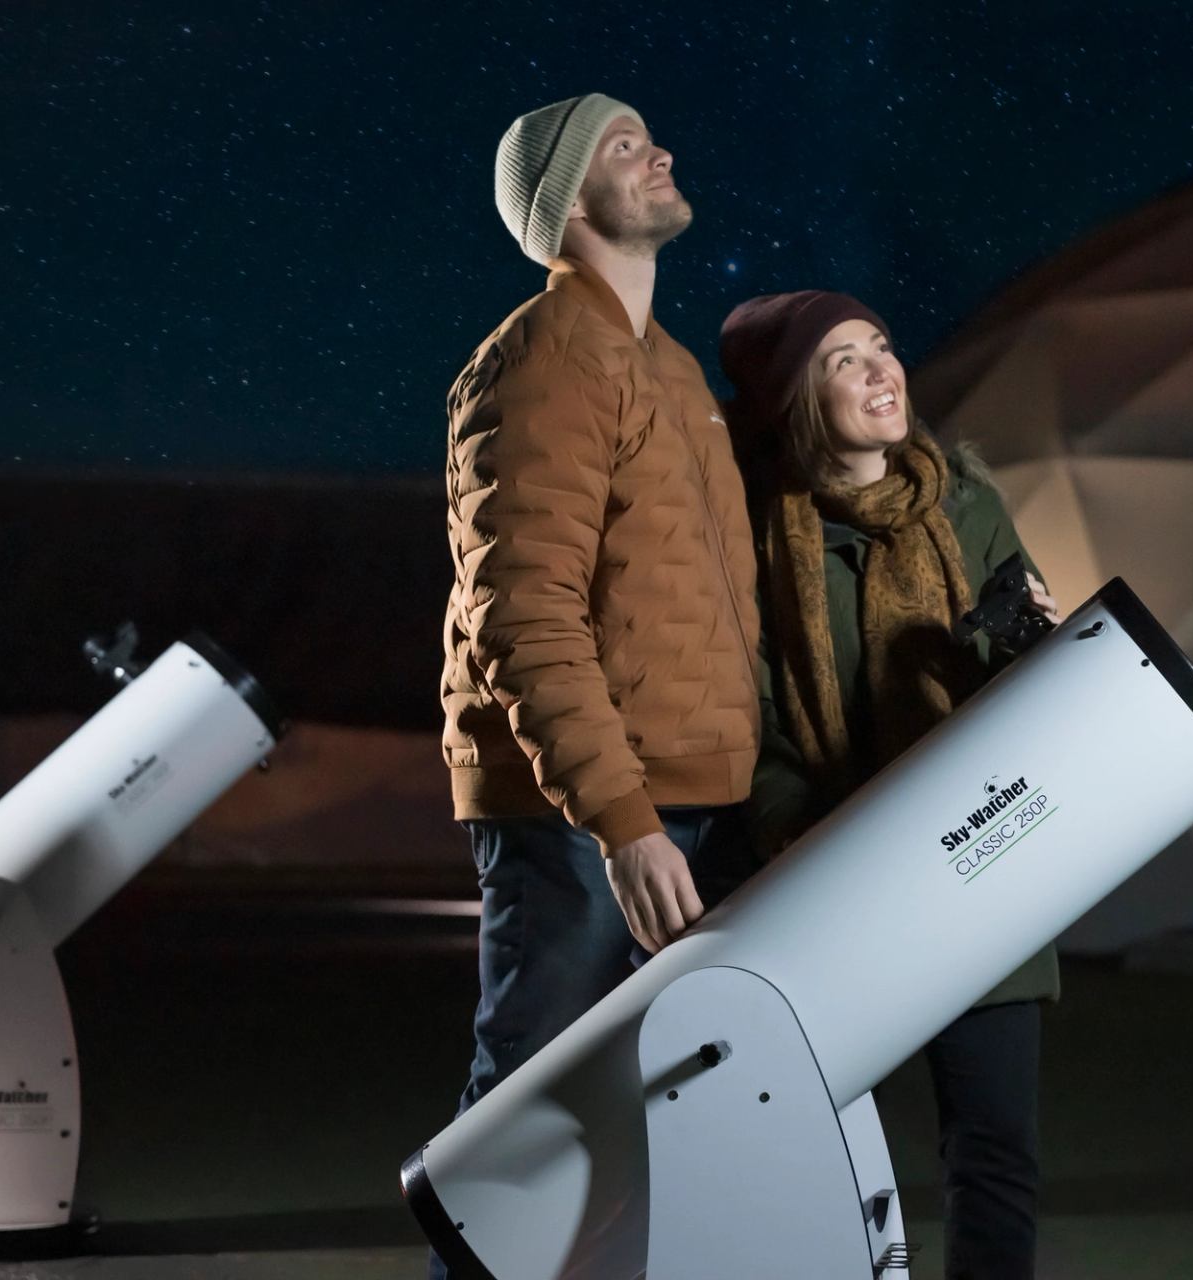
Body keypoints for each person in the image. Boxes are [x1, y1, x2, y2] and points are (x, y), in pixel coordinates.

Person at [434, 94, 760, 1275]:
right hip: (583, 820)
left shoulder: (669, 371)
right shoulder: (543, 359)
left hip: (685, 807)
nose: (661, 149)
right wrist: (621, 819)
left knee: (645, 1138)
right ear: (568, 202)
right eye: (625, 145)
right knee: (533, 1125)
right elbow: (523, 612)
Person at [720, 290, 1061, 1280]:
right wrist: (809, 845)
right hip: (837, 879)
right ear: (794, 399)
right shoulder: (754, 537)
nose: (880, 369)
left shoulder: (968, 503)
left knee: (994, 1150)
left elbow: (1034, 691)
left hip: (981, 864)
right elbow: (757, 722)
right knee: (802, 1153)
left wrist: (1012, 642)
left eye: (882, 345)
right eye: (843, 359)